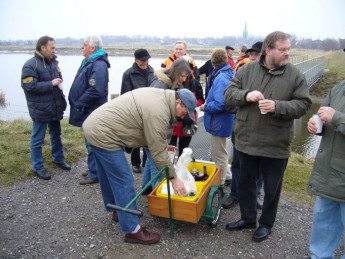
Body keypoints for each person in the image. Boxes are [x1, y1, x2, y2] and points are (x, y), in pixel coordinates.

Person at [224, 31, 311, 242]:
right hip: (247, 140)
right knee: (244, 183)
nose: (287, 53)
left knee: (272, 189)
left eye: (288, 49)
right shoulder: (247, 70)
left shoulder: (295, 75)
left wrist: (277, 106)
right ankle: (247, 218)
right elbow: (228, 94)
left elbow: (304, 104)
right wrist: (246, 95)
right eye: (282, 50)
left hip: (275, 144)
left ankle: (266, 224)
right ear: (268, 50)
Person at [82, 88, 197, 245]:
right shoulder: (159, 111)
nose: (184, 117)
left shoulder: (161, 98)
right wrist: (174, 179)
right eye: (185, 112)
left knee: (108, 175)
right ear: (178, 102)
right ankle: (132, 230)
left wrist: (163, 146)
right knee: (124, 179)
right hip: (103, 133)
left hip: (94, 126)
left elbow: (151, 134)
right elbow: (157, 153)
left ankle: (119, 211)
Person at [21, 36, 71, 180]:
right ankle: (37, 167)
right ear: (43, 48)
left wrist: (56, 83)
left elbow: (59, 78)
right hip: (40, 109)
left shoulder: (54, 63)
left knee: (56, 134)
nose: (54, 50)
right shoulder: (30, 65)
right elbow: (29, 86)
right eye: (52, 47)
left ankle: (58, 159)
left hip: (54, 107)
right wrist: (51, 83)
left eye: (54, 47)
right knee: (37, 139)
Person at [223, 41, 264, 209]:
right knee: (238, 164)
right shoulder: (241, 73)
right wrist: (246, 98)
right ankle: (234, 195)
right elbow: (229, 101)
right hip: (241, 130)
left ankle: (257, 195)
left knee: (260, 167)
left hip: (263, 133)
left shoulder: (274, 78)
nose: (252, 57)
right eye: (251, 54)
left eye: (256, 54)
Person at [307, 79, 345, 259]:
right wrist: (316, 125)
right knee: (325, 222)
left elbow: (333, 116)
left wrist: (336, 117)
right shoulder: (339, 87)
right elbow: (324, 115)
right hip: (329, 173)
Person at [142, 58, 192, 192]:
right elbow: (153, 115)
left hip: (152, 131)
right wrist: (160, 143)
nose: (183, 80)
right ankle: (158, 200)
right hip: (151, 130)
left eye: (186, 76)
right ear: (175, 73)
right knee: (158, 167)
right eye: (182, 76)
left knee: (150, 159)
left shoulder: (169, 84)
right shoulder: (161, 86)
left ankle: (146, 188)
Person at [68, 35, 110, 185]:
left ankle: (95, 173)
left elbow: (96, 90)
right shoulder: (89, 61)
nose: (82, 47)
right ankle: (94, 168)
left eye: (84, 44)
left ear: (92, 48)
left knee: (92, 142)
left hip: (91, 110)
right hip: (87, 109)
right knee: (89, 142)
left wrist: (79, 102)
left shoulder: (98, 65)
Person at [200, 48, 235, 185]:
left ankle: (218, 184)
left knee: (218, 153)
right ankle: (227, 176)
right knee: (221, 150)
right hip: (224, 121)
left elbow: (221, 103)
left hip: (219, 122)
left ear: (213, 61)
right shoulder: (229, 73)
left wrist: (206, 107)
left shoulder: (220, 78)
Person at [120, 49, 154, 174]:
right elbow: (125, 95)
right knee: (135, 137)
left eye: (146, 59)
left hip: (149, 110)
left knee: (149, 136)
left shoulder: (152, 72)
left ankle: (146, 161)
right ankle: (135, 163)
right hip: (135, 111)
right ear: (136, 60)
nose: (145, 62)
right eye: (142, 60)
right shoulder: (128, 74)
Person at [169, 56, 205, 157]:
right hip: (175, 122)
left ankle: (180, 168)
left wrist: (189, 105)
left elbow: (201, 100)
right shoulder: (174, 83)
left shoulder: (195, 83)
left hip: (188, 121)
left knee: (184, 150)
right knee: (170, 149)